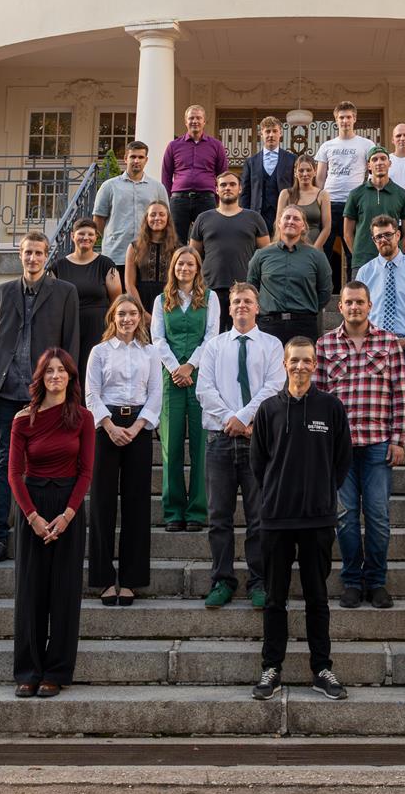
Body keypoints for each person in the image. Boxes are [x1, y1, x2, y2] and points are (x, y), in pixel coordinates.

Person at [249, 336, 353, 702]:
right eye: (294, 361)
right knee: (275, 598)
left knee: (317, 597)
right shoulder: (268, 410)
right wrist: (277, 494)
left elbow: (342, 460)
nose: (300, 366)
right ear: (284, 364)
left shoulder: (331, 408)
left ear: (315, 364)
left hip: (318, 521)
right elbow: (258, 463)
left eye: (307, 360)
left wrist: (323, 493)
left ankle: (321, 668)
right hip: (276, 519)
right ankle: (271, 668)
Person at [0, 231, 82, 567]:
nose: (33, 258)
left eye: (38, 253)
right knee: (3, 467)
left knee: (46, 466)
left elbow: (71, 346)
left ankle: (40, 531)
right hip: (7, 396)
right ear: (20, 256)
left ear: (47, 256)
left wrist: (70, 396)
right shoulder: (0, 293)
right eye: (27, 253)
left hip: (46, 396)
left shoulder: (65, 293)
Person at [315, 280, 405, 609]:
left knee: (379, 516)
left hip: (377, 445)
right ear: (339, 307)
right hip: (339, 449)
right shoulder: (325, 345)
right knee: (346, 517)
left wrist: (399, 439)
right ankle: (352, 581)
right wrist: (321, 446)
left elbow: (400, 394)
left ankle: (377, 581)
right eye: (348, 302)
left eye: (360, 302)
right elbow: (317, 402)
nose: (354, 307)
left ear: (370, 306)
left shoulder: (388, 344)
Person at [7, 346, 94, 698]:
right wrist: (33, 517)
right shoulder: (22, 419)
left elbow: (86, 472)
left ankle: (56, 671)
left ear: (70, 377)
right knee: (30, 592)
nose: (55, 376)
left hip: (68, 507)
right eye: (49, 371)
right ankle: (28, 671)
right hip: (33, 506)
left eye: (61, 371)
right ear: (41, 378)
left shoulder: (83, 418)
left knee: (64, 592)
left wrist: (67, 515)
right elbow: (14, 474)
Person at [194, 283, 285, 609]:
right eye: (236, 302)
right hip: (220, 440)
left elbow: (275, 387)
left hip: (257, 442)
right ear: (229, 309)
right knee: (219, 516)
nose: (242, 306)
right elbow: (204, 390)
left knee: (259, 516)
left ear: (257, 307)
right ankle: (222, 579)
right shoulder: (215, 346)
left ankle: (259, 581)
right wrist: (232, 420)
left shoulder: (272, 346)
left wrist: (245, 418)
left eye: (248, 301)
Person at [84, 295, 168, 605]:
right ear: (112, 317)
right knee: (103, 504)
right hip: (105, 427)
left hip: (139, 429)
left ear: (140, 318)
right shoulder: (100, 352)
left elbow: (156, 395)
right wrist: (109, 426)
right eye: (121, 313)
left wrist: (134, 428)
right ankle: (105, 579)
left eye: (132, 313)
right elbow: (91, 393)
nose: (127, 318)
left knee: (136, 505)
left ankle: (131, 579)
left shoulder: (150, 353)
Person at [356, 216, 405, 491]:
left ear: (398, 235)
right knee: (374, 411)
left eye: (388, 234)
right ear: (373, 239)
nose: (383, 240)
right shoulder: (365, 272)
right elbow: (360, 311)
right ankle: (376, 473)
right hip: (374, 350)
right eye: (378, 237)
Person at [151, 246, 217, 533]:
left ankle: (197, 511)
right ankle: (173, 510)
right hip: (170, 379)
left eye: (190, 264)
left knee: (201, 446)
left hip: (201, 378)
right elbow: (157, 338)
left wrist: (190, 366)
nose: (185, 269)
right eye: (180, 264)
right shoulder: (161, 300)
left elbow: (211, 336)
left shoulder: (211, 298)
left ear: (197, 268)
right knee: (172, 446)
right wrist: (175, 368)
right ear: (173, 268)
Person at [247, 205, 334, 344]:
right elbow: (251, 289)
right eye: (287, 217)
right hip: (269, 326)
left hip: (304, 325)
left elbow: (325, 291)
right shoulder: (261, 255)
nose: (291, 221)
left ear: (304, 226)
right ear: (279, 224)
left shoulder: (316, 256)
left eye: (296, 219)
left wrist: (307, 309)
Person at [314, 102, 377, 290]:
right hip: (330, 203)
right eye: (341, 117)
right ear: (336, 120)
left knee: (353, 252)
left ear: (355, 119)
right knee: (325, 251)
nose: (345, 120)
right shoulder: (327, 146)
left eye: (348, 117)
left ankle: (353, 292)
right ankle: (324, 292)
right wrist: (318, 201)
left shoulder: (366, 144)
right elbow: (320, 177)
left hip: (355, 204)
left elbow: (373, 174)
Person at [51, 219, 122, 373]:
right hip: (69, 327)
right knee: (70, 369)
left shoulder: (106, 264)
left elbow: (117, 302)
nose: (86, 237)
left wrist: (113, 330)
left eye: (90, 234)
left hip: (98, 328)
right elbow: (53, 301)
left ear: (96, 237)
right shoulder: (58, 267)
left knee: (95, 370)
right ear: (72, 236)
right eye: (81, 233)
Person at [189, 170, 270, 299]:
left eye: (232, 184)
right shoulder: (203, 218)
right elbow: (193, 256)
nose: (227, 188)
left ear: (240, 189)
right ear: (216, 189)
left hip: (245, 289)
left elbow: (266, 256)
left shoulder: (254, 218)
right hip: (209, 289)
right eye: (223, 185)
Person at [162, 104, 229, 246]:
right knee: (176, 242)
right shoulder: (173, 146)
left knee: (208, 239)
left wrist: (217, 200)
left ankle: (205, 269)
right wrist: (168, 200)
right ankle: (177, 268)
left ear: (204, 121)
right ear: (185, 122)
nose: (195, 121)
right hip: (179, 200)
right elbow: (166, 175)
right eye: (191, 118)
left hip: (206, 199)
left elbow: (222, 175)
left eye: (198, 118)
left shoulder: (216, 146)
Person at [93, 142, 168, 266]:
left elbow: (166, 220)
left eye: (141, 157)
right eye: (133, 157)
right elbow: (98, 219)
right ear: (125, 158)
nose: (136, 160)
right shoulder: (109, 186)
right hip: (116, 254)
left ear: (146, 160)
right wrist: (113, 238)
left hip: (148, 254)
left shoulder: (157, 188)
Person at [343, 149, 405, 273]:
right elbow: (347, 233)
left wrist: (396, 255)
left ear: (389, 163)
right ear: (369, 165)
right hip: (362, 264)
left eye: (383, 158)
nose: (379, 162)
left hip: (392, 262)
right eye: (374, 159)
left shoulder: (402, 194)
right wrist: (357, 255)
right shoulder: (356, 194)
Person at [123, 199, 178, 314]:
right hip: (141, 301)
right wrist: (142, 312)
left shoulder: (177, 248)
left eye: (161, 214)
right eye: (153, 215)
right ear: (146, 219)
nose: (157, 218)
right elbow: (129, 284)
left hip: (170, 302)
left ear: (168, 218)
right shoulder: (134, 247)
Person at [277, 154, 334, 258]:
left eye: (308, 170)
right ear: (295, 173)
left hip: (314, 251)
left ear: (315, 172)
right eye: (301, 170)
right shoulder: (285, 194)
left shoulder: (323, 195)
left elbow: (327, 228)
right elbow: (278, 224)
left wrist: (314, 250)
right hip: (289, 251)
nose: (305, 174)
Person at [244, 115, 296, 228]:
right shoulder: (250, 162)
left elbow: (296, 188)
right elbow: (245, 193)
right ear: (261, 134)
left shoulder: (292, 159)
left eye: (274, 131)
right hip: (257, 215)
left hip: (285, 215)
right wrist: (244, 217)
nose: (271, 135)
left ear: (280, 133)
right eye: (267, 131)